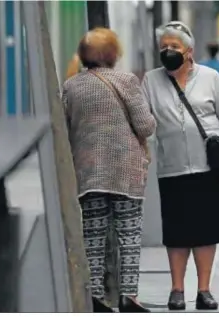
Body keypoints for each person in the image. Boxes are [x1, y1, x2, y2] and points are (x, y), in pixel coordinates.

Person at [140, 21, 219, 311]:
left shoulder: (211, 78)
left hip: (210, 167)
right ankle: (177, 290)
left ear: (190, 51)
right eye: (164, 47)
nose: (168, 51)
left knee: (208, 231)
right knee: (177, 233)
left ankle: (205, 290)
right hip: (172, 168)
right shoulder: (151, 81)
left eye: (175, 47)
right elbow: (144, 122)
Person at [63, 27, 156, 313]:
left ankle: (96, 296)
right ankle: (129, 296)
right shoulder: (126, 81)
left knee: (92, 234)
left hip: (88, 171)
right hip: (125, 171)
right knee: (128, 234)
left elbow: (66, 128)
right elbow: (145, 126)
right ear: (113, 54)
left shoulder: (71, 86)